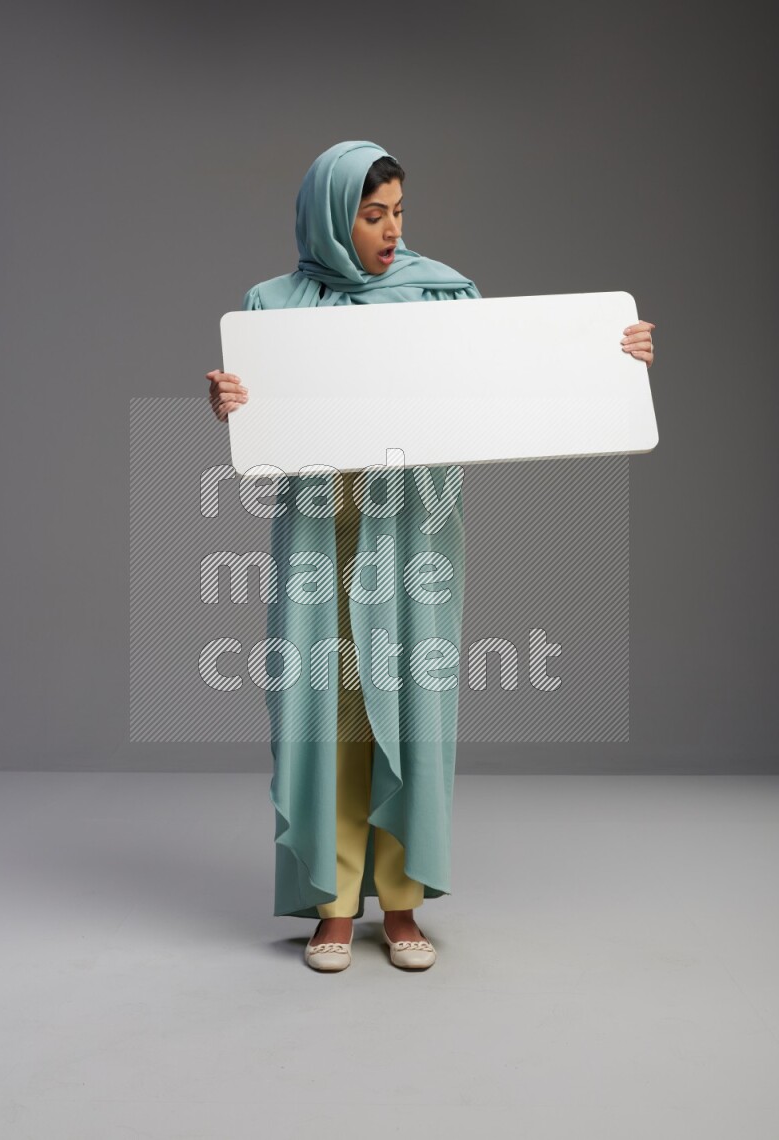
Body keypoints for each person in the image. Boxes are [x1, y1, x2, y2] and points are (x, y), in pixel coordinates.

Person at [206, 140, 656, 973]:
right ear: (330, 218)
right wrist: (230, 401)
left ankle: (403, 901)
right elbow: (261, 424)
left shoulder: (443, 293)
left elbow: (515, 379)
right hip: (321, 539)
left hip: (414, 533)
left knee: (412, 702)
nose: (388, 231)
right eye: (371, 215)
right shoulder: (272, 307)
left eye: (398, 212)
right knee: (331, 716)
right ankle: (335, 907)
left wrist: (610, 359)